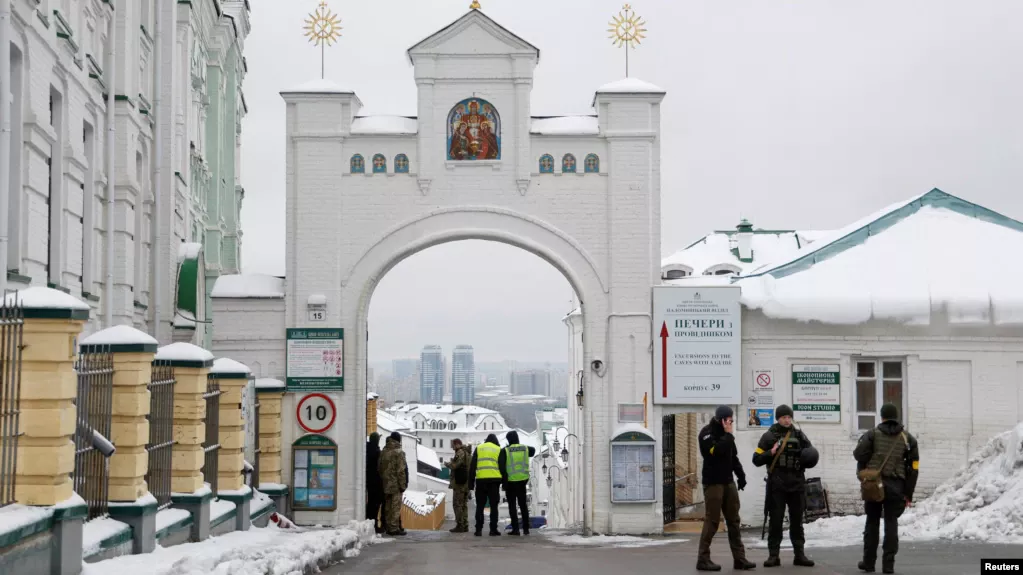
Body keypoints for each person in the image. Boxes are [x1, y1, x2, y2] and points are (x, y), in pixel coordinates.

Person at [853, 403, 919, 574]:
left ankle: (869, 563)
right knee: (891, 523)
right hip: (896, 486)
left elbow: (858, 455)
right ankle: (888, 565)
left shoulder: (872, 434)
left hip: (874, 485)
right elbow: (914, 468)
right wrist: (908, 493)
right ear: (896, 416)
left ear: (881, 417)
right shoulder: (908, 438)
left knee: (872, 523)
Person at [752, 405, 815, 568]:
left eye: (789, 417)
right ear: (778, 418)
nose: (787, 420)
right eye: (784, 417)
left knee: (796, 521)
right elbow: (756, 459)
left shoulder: (799, 435)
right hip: (777, 485)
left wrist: (808, 458)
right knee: (776, 521)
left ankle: (799, 554)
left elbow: (810, 453)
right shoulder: (769, 436)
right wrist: (770, 453)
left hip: (796, 484)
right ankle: (774, 555)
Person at [697, 406, 755, 572]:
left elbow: (733, 457)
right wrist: (728, 435)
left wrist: (741, 476)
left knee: (734, 521)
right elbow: (715, 452)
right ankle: (703, 559)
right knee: (712, 521)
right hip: (713, 483)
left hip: (728, 482)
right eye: (728, 419)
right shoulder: (707, 433)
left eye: (732, 419)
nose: (731, 422)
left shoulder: (727, 436)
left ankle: (739, 558)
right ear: (721, 419)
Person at [500, 430, 536, 535]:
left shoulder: (505, 451)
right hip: (522, 481)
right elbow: (533, 450)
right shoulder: (525, 448)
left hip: (511, 482)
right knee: (523, 505)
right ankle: (526, 529)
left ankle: (515, 529)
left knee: (512, 506)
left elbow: (501, 468)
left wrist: (504, 481)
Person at [468, 433, 503, 536]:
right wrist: (503, 481)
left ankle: (478, 530)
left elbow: (472, 467)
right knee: (494, 506)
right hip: (494, 482)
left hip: (481, 481)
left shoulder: (479, 448)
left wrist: (471, 484)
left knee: (480, 506)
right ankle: (493, 529)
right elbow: (502, 467)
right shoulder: (498, 449)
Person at [378, 431, 408, 536]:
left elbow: (379, 468)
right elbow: (401, 471)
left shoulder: (384, 451)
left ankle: (387, 526)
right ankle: (393, 528)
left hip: (386, 483)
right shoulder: (399, 452)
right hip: (395, 484)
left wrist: (384, 479)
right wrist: (402, 485)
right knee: (395, 507)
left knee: (387, 506)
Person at [445, 438, 471, 533]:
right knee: (463, 505)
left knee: (457, 504)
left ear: (457, 444)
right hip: (465, 483)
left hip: (459, 484)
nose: (452, 447)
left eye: (453, 445)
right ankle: (465, 524)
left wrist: (448, 464)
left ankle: (460, 525)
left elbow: (455, 465)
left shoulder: (460, 453)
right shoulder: (467, 453)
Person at [366, 433, 385, 533]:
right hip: (376, 481)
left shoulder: (366, 449)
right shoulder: (377, 452)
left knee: (370, 504)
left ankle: (369, 521)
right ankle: (373, 524)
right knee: (375, 503)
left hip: (367, 480)